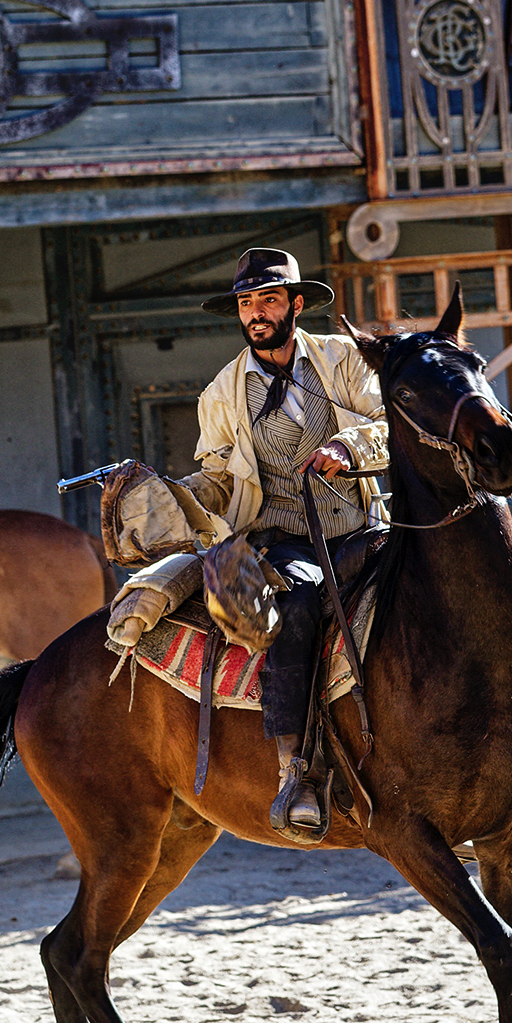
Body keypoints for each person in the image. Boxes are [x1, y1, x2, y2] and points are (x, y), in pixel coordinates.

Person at [181, 247, 388, 833]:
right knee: (295, 607)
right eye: (247, 303)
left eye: (268, 300)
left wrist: (348, 450)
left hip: (362, 527)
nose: (256, 314)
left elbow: (389, 424)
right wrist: (168, 495)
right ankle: (296, 770)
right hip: (284, 542)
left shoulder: (341, 359)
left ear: (296, 304)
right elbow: (218, 478)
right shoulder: (222, 393)